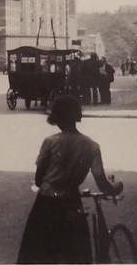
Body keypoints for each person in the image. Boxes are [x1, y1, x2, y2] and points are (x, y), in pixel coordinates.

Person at [17, 95, 123, 264]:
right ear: (76, 117)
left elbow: (38, 179)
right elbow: (102, 183)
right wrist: (116, 187)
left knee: (35, 256)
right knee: (78, 256)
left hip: (46, 205)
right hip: (71, 204)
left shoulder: (50, 142)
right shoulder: (92, 146)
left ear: (57, 119)